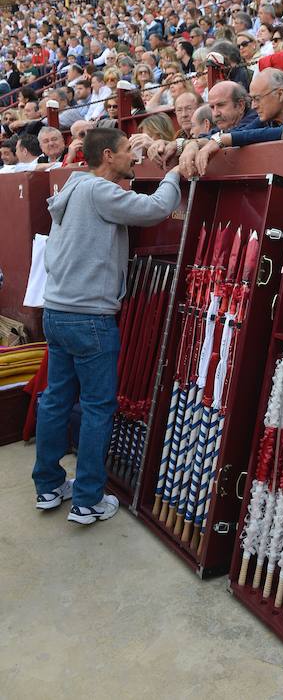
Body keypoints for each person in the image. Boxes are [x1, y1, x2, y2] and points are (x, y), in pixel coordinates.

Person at [33, 128, 181, 525]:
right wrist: (175, 173)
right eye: (127, 151)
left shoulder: (74, 187)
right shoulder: (99, 190)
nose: (132, 157)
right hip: (89, 317)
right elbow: (154, 209)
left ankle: (48, 487)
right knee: (98, 407)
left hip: (57, 312)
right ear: (108, 157)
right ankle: (87, 501)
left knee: (55, 400)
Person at [183, 69, 283, 176]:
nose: (253, 106)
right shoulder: (266, 118)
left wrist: (223, 140)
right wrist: (194, 143)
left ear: (280, 94)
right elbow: (242, 131)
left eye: (257, 99)